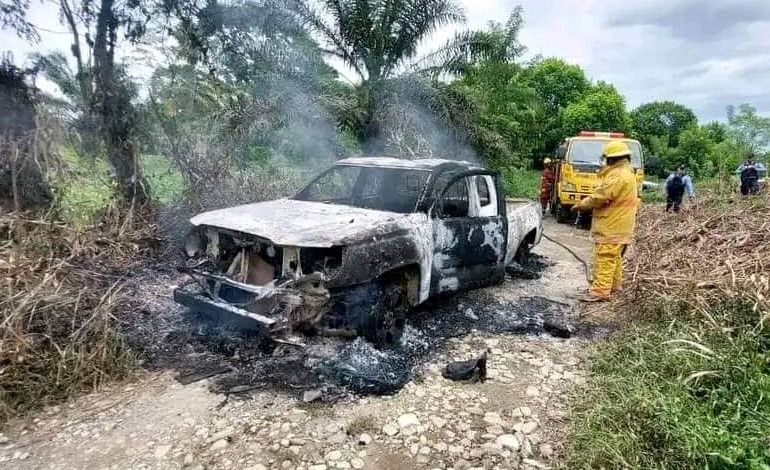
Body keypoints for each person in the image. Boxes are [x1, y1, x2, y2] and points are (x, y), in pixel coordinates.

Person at [571, 140, 640, 302]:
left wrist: (580, 205)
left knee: (605, 256)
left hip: (612, 225)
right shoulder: (627, 173)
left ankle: (600, 291)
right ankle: (614, 286)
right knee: (614, 257)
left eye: (607, 158)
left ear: (612, 159)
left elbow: (600, 196)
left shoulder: (618, 175)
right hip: (620, 224)